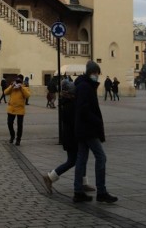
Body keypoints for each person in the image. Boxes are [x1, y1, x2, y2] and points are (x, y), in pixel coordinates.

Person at [73, 61, 118, 204]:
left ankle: (78, 192)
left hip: (82, 128)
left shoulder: (83, 85)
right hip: (88, 129)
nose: (97, 76)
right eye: (96, 74)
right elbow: (84, 109)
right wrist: (97, 121)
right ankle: (102, 192)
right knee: (101, 157)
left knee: (81, 159)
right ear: (92, 73)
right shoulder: (86, 87)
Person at [42, 75, 95, 194]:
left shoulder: (67, 102)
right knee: (72, 161)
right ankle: (50, 177)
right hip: (72, 138)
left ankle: (83, 183)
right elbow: (74, 122)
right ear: (70, 93)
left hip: (71, 136)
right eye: (73, 93)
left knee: (82, 159)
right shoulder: (69, 105)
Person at [5, 75, 31, 146]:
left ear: (22, 81)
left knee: (20, 125)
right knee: (9, 123)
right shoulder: (13, 86)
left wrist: (21, 87)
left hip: (20, 109)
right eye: (17, 80)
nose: (18, 82)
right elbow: (5, 92)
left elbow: (27, 95)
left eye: (20, 81)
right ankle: (12, 135)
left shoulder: (25, 87)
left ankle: (18, 139)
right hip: (11, 108)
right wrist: (12, 86)